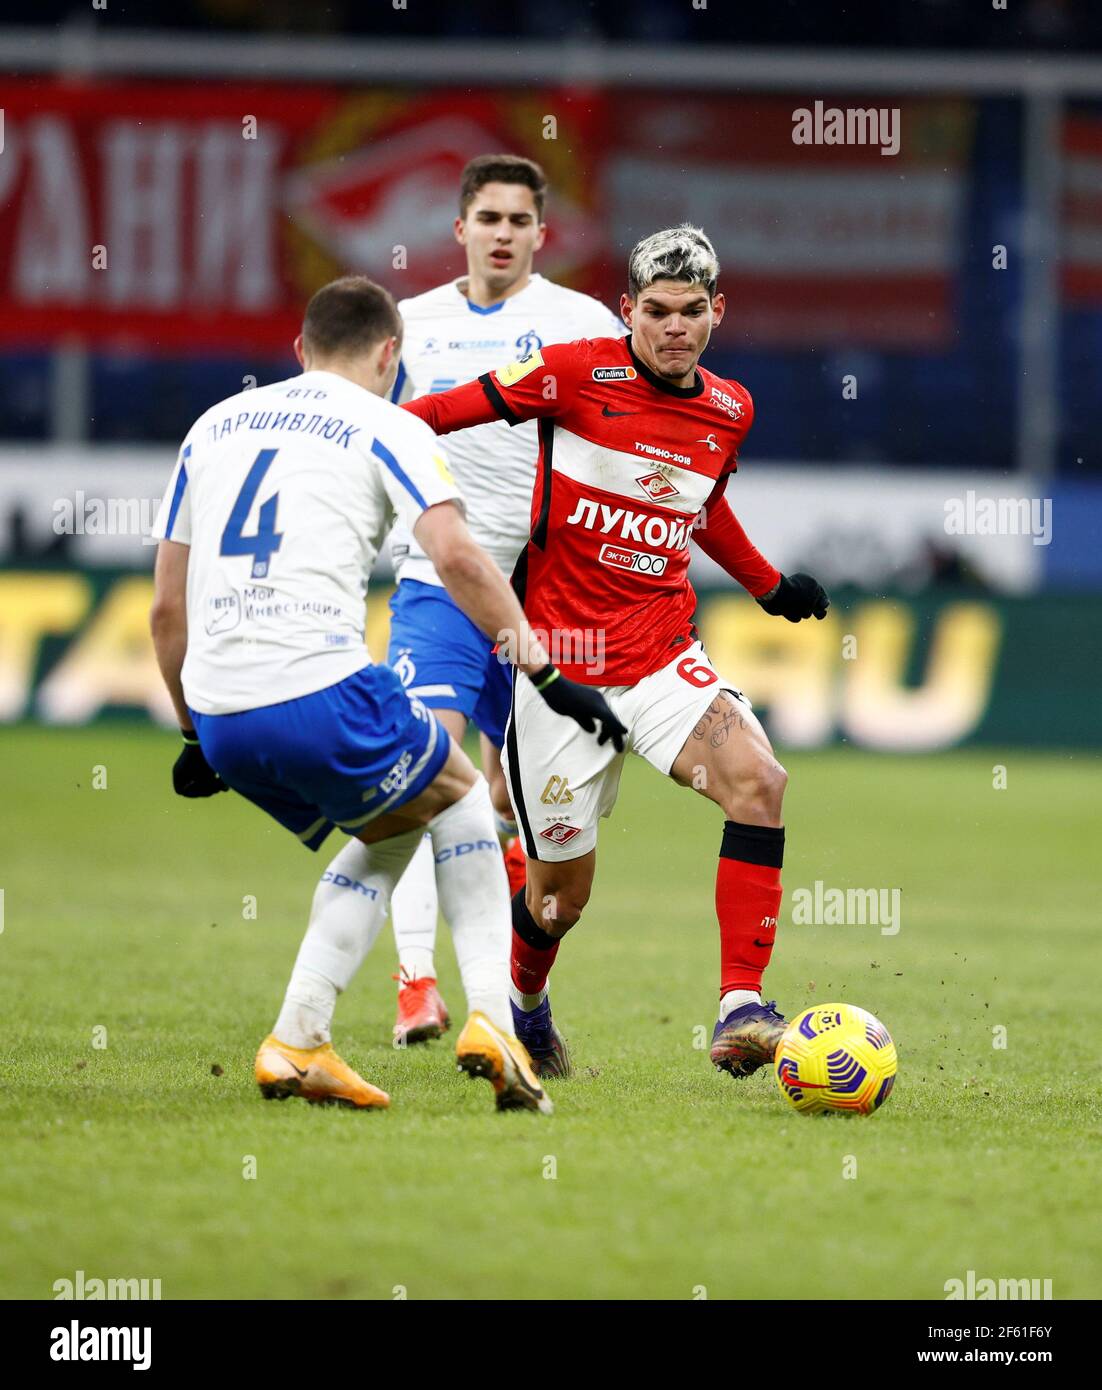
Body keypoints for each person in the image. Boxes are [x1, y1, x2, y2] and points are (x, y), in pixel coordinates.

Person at [148, 275, 625, 1115]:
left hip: (221, 710)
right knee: (467, 800)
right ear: (390, 353)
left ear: (298, 350)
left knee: (396, 825)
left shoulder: (211, 426)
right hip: (318, 687)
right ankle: (492, 1019)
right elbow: (460, 559)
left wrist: (192, 737)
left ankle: (300, 1038)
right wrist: (547, 673)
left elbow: (164, 611)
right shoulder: (392, 423)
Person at [402, 225, 830, 1081]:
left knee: (761, 783)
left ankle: (739, 1005)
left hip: (663, 655)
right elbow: (441, 412)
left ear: (718, 313)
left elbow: (697, 506)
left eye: (693, 312)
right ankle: (526, 1009)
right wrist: (345, 431)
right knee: (559, 898)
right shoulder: (570, 372)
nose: (676, 327)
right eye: (658, 311)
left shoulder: (727, 408)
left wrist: (767, 586)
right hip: (561, 671)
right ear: (628, 310)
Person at [384, 153, 625, 1047]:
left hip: (547, 592)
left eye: (519, 220)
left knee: (515, 801)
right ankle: (417, 988)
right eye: (488, 217)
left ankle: (517, 988)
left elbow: (618, 433)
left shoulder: (581, 322)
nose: (503, 233)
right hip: (441, 580)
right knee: (415, 770)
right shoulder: (410, 325)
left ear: (540, 232)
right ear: (459, 228)